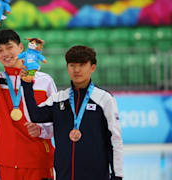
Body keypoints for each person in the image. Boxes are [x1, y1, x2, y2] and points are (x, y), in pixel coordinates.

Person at [0, 8, 55, 180]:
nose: (6, 53)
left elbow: (56, 118)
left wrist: (41, 130)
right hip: (8, 161)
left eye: (9, 47)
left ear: (21, 47)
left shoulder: (44, 80)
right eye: (0, 51)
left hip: (38, 159)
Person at [21, 45, 124, 180]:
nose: (76, 70)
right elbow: (35, 115)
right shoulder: (58, 99)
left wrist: (117, 175)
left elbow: (114, 139)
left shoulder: (104, 99)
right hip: (65, 175)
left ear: (93, 67)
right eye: (72, 65)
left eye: (82, 65)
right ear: (67, 67)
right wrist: (27, 85)